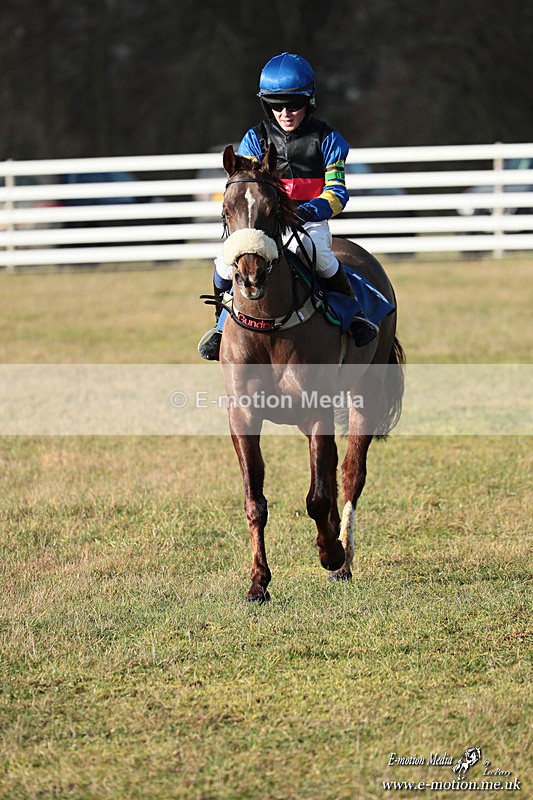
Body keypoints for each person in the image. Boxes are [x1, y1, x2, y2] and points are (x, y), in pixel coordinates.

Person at [198, 52, 378, 360]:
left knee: (321, 256)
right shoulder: (255, 138)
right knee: (222, 263)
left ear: (309, 100)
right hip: (265, 223)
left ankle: (355, 315)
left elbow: (337, 192)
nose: (285, 112)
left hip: (308, 221)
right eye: (276, 104)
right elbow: (250, 186)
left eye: (294, 104)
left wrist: (308, 211)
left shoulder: (328, 139)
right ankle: (219, 325)